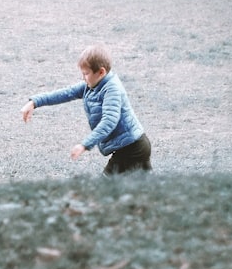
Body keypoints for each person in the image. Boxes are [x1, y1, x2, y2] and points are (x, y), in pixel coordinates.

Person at [21, 44, 151, 175]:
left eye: (86, 73)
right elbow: (66, 93)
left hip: (132, 148)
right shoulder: (91, 85)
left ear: (101, 72)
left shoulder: (112, 89)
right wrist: (35, 102)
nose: (83, 78)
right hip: (131, 146)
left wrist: (84, 145)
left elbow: (109, 121)